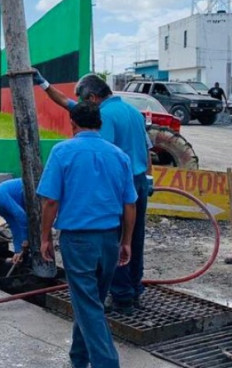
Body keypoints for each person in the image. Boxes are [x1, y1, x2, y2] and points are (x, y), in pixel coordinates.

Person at [34, 71, 151, 314]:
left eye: (85, 101)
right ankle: (135, 288)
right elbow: (69, 105)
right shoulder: (131, 111)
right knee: (134, 239)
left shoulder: (103, 117)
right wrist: (44, 83)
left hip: (118, 185)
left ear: (94, 98)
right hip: (138, 181)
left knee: (116, 241)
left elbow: (98, 152)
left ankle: (121, 297)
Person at [39, 103, 136, 368]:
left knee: (88, 305)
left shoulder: (62, 152)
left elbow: (50, 202)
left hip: (78, 240)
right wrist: (126, 241)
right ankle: (78, 358)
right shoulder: (119, 156)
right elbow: (130, 204)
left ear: (73, 124)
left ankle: (107, 363)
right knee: (90, 302)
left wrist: (44, 237)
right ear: (100, 124)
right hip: (109, 239)